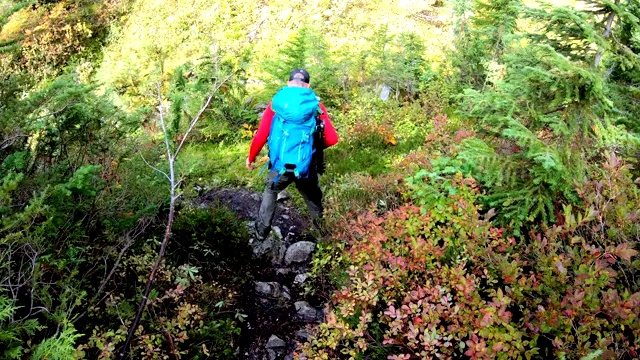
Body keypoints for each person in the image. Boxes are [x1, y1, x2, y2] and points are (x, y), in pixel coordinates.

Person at [246, 69, 339, 239]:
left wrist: (251, 158)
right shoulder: (316, 106)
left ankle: (261, 231)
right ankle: (323, 234)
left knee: (271, 189)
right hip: (306, 166)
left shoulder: (277, 104)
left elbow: (261, 136)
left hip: (280, 165)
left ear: (288, 83)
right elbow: (332, 139)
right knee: (313, 197)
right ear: (307, 85)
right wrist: (313, 148)